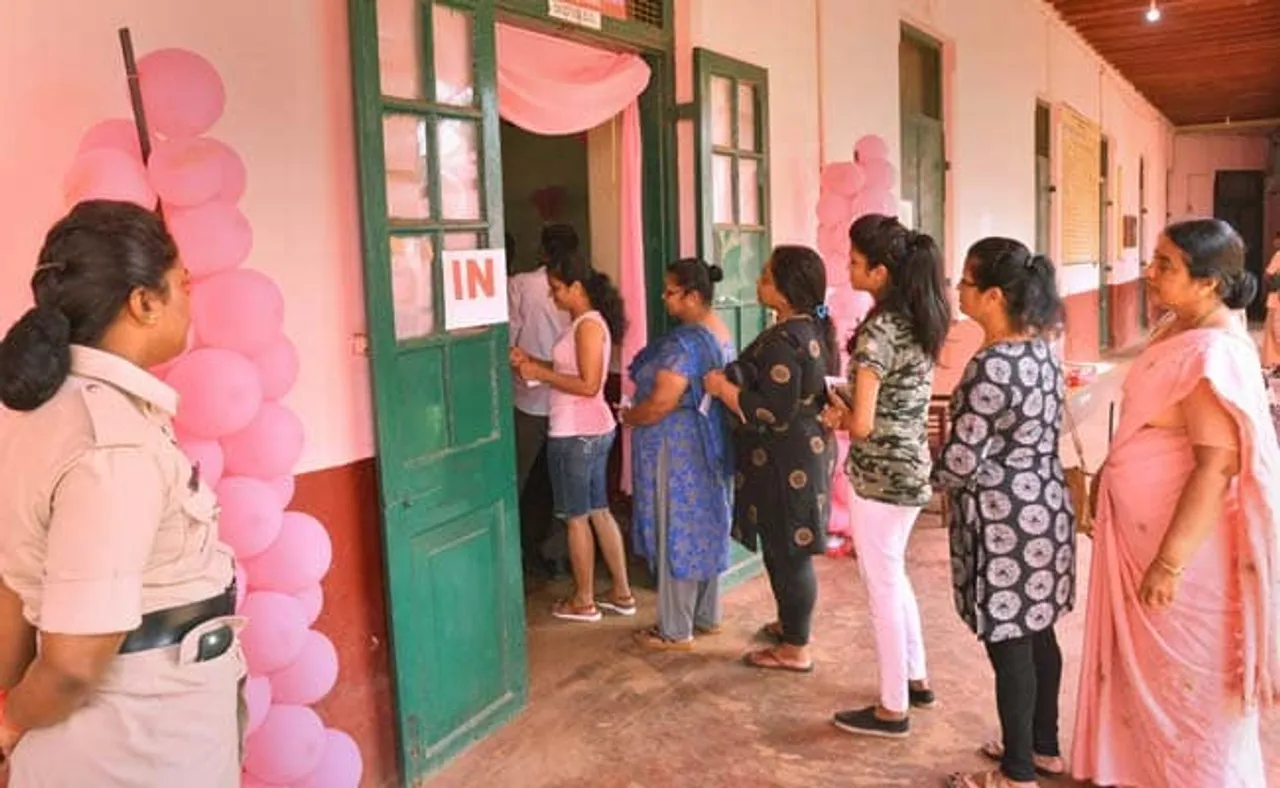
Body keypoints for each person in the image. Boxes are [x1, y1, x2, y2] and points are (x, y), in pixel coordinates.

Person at [0, 200, 243, 785]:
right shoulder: (112, 446)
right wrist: (9, 727)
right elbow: (72, 669)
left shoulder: (46, 414)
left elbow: (13, 586)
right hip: (139, 745)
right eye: (181, 285)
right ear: (143, 302)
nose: (189, 304)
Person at [1072, 218, 1280, 787]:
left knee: (1190, 701)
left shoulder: (1213, 353)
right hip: (1145, 544)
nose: (1150, 273)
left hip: (1184, 566)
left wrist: (1169, 563)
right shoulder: (1177, 326)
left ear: (1209, 283)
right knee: (1152, 690)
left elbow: (1217, 465)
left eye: (1166, 265)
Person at [934, 238, 1075, 788]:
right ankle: (1043, 747)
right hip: (1043, 504)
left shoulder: (991, 365)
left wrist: (925, 478)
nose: (959, 292)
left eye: (965, 284)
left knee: (1009, 643)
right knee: (1038, 633)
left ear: (993, 295)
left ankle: (1017, 774)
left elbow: (962, 459)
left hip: (1003, 521)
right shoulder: (1041, 349)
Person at [818, 214, 950, 737]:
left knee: (881, 588)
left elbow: (866, 425)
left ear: (879, 270)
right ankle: (915, 679)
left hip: (879, 477)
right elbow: (894, 402)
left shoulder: (878, 329)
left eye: (854, 261)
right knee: (894, 577)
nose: (847, 268)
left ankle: (892, 707)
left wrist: (839, 414)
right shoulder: (919, 318)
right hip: (912, 467)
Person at [704, 245, 837, 673]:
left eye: (766, 275)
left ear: (784, 290)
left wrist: (723, 390)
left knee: (789, 551)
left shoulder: (786, 339)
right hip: (797, 454)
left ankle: (796, 647)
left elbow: (773, 409)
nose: (759, 282)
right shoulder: (808, 329)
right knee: (784, 547)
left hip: (786, 460)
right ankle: (790, 625)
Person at [511, 252, 634, 622]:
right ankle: (622, 592)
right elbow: (573, 371)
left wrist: (541, 374)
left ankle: (584, 600)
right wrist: (531, 362)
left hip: (575, 433)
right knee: (598, 511)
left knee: (575, 517)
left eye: (557, 290)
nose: (554, 297)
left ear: (577, 287)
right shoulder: (585, 323)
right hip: (593, 431)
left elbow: (588, 384)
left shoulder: (588, 326)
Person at [620, 258, 736, 650]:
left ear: (693, 296)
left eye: (671, 292)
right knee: (705, 521)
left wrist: (630, 416)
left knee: (678, 527)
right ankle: (706, 614)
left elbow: (661, 402)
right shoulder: (718, 331)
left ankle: (674, 627)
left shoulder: (684, 343)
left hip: (679, 446)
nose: (664, 299)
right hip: (708, 440)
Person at [508, 224, 574, 574]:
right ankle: (558, 551)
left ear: (543, 251)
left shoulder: (521, 284)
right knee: (563, 481)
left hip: (529, 398)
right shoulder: (584, 288)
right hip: (570, 401)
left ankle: (509, 550)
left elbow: (509, 336)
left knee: (516, 475)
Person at [1262, 231, 1280, 369]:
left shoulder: (1279, 255)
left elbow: (1268, 275)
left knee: (1275, 330)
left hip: (1277, 298)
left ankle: (1276, 362)